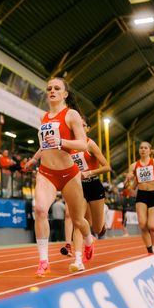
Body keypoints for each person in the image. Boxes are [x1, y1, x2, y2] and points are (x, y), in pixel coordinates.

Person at [24, 77, 94, 277]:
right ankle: (43, 260)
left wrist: (62, 141)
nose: (52, 91)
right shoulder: (43, 117)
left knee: (78, 220)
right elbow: (45, 144)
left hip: (69, 174)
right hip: (46, 172)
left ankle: (89, 241)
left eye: (57, 88)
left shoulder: (71, 115)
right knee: (39, 210)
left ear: (65, 94)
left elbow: (83, 144)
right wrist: (34, 159)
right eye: (49, 88)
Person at [61, 119, 111, 271]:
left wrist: (90, 172)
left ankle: (102, 218)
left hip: (94, 186)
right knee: (78, 222)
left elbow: (107, 167)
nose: (79, 127)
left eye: (83, 125)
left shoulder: (90, 144)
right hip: (79, 188)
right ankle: (78, 260)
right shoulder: (69, 145)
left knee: (96, 227)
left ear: (88, 129)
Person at [125, 141, 154, 254]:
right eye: (141, 148)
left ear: (150, 151)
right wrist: (128, 179)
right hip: (141, 195)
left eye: (145, 148)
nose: (143, 149)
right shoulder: (134, 165)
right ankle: (150, 249)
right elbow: (129, 185)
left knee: (153, 226)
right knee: (142, 224)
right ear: (139, 150)